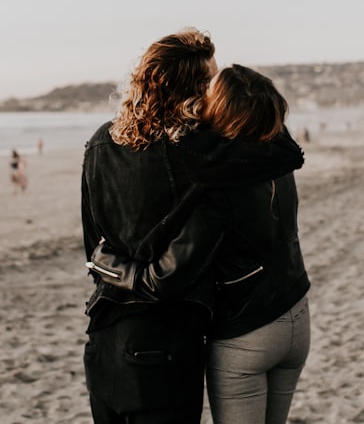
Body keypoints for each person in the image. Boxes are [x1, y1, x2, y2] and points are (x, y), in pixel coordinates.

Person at [81, 29, 304, 424]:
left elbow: (93, 240)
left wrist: (106, 267)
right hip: (167, 343)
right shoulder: (203, 158)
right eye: (212, 81)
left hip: (106, 332)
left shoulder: (100, 143)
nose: (217, 89)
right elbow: (286, 153)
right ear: (191, 92)